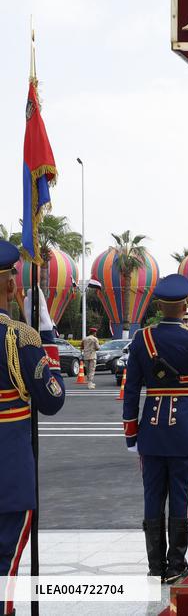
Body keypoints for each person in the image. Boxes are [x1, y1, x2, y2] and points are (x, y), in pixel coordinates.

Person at [122, 274, 188, 583]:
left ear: (158, 305)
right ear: (185, 305)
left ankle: (155, 565)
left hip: (151, 433)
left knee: (152, 497)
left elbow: (131, 390)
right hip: (184, 432)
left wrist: (131, 433)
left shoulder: (141, 339)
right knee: (181, 497)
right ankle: (176, 565)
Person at [0, 242, 65, 615]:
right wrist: (44, 337)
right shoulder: (19, 338)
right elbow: (52, 399)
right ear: (11, 285)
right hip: (8, 478)